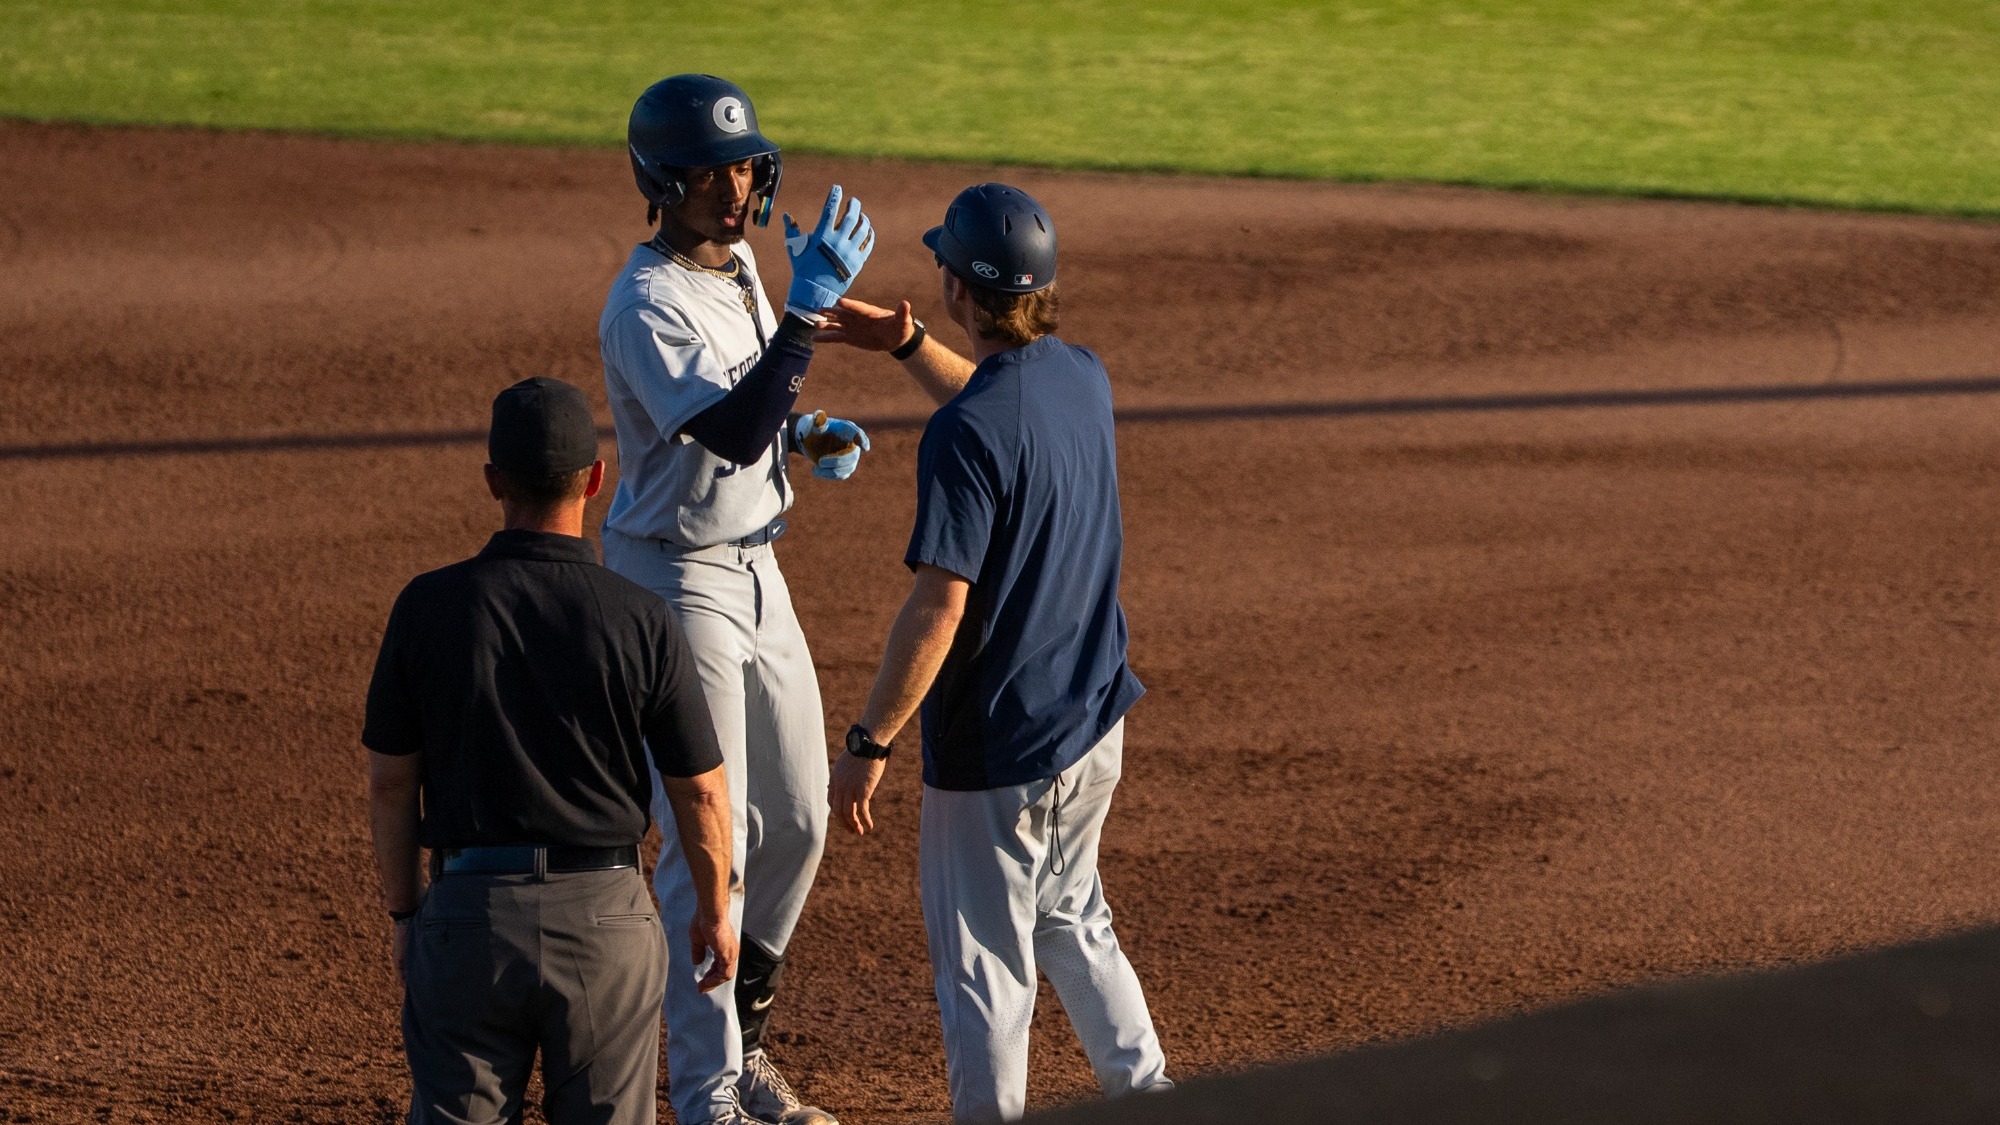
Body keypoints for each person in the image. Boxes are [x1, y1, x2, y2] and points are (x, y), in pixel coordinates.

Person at [819, 184, 1173, 1121]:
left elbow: (939, 605)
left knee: (984, 969)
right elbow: (997, 411)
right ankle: (1151, 1093)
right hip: (1091, 723)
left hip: (997, 756)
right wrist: (900, 347)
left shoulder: (964, 436)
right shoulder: (1081, 376)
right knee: (1072, 918)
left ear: (960, 292)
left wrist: (869, 741)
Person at [597, 73, 873, 1125]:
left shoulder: (746, 266)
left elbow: (759, 401)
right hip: (676, 583)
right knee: (708, 838)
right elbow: (726, 431)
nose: (735, 183)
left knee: (800, 815)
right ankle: (707, 1093)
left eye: (746, 163)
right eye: (710, 169)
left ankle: (740, 1040)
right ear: (661, 183)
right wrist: (803, 324)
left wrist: (808, 431)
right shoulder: (643, 304)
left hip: (757, 564)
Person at [363, 376, 736, 1125]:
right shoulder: (642, 616)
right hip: (604, 924)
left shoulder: (426, 606)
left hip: (468, 920)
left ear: (493, 482)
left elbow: (391, 786)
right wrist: (714, 906)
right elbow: (698, 790)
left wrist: (407, 916)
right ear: (595, 481)